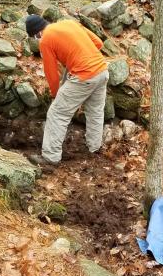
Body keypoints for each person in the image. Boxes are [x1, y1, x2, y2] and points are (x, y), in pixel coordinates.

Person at [25, 15, 109, 168]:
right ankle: (94, 148)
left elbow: (51, 73)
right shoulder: (69, 23)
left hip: (84, 75)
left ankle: (50, 157)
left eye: (35, 37)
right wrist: (80, 57)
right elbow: (98, 42)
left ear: (37, 33)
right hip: (102, 70)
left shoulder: (45, 40)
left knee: (57, 113)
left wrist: (55, 94)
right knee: (95, 112)